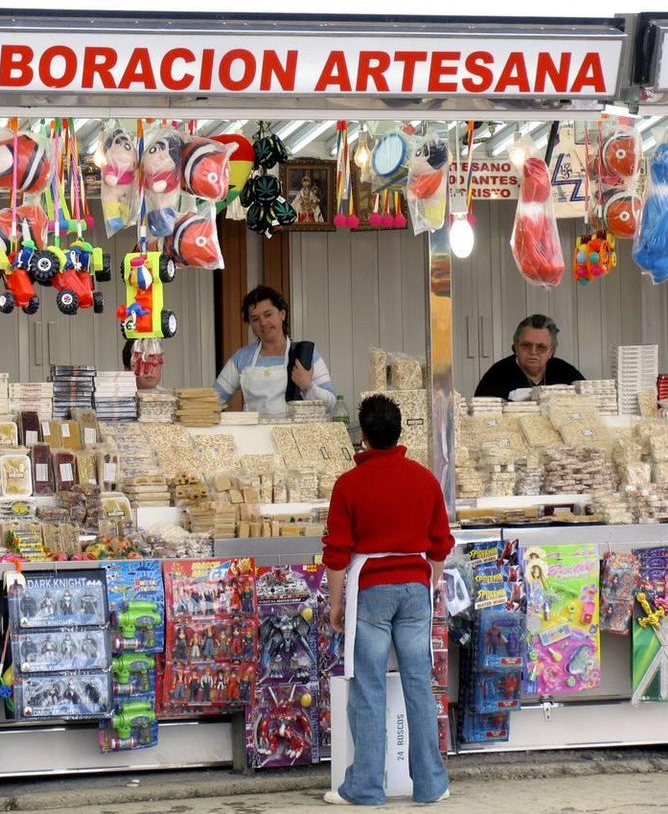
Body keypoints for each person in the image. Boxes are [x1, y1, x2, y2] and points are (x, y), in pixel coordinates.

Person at [321, 394, 454, 806]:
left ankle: (365, 787)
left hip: (371, 592)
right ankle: (431, 785)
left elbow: (337, 553)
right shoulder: (425, 480)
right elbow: (440, 545)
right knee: (419, 686)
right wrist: (429, 586)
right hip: (415, 589)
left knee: (369, 688)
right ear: (400, 433)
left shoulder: (348, 484)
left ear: (362, 437)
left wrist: (336, 603)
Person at [213, 285, 337, 418]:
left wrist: (307, 386)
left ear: (282, 314)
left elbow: (331, 404)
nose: (263, 323)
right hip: (254, 436)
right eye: (255, 319)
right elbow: (213, 401)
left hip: (294, 436)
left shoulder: (306, 355)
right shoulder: (241, 358)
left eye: (268, 314)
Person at [474, 314, 584, 400]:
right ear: (515, 347)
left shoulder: (566, 372)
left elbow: (588, 402)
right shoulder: (496, 375)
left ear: (552, 352)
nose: (533, 352)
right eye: (526, 345)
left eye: (541, 347)